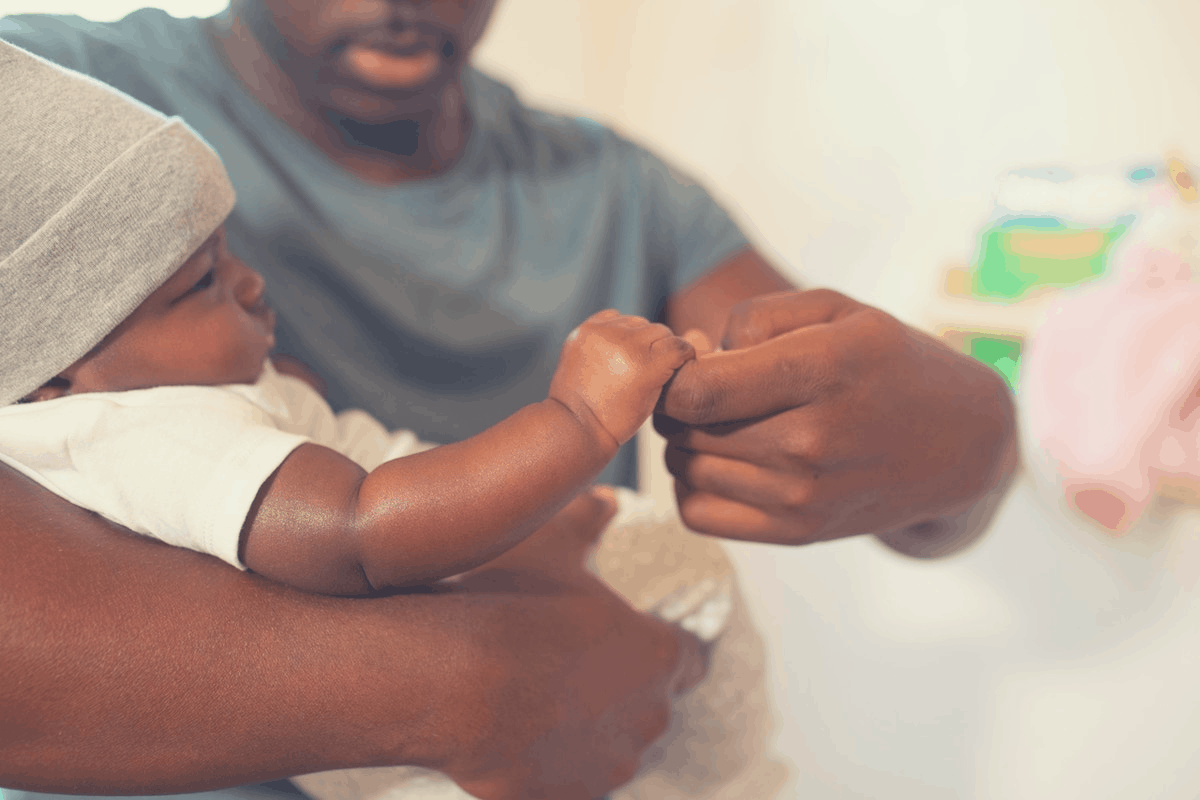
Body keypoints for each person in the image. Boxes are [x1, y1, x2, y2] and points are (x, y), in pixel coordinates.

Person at [0, 0, 1018, 796]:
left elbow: (880, 465)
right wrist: (460, 682)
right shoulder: (57, 126)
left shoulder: (627, 192)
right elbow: (356, 528)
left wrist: (976, 441)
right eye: (200, 284)